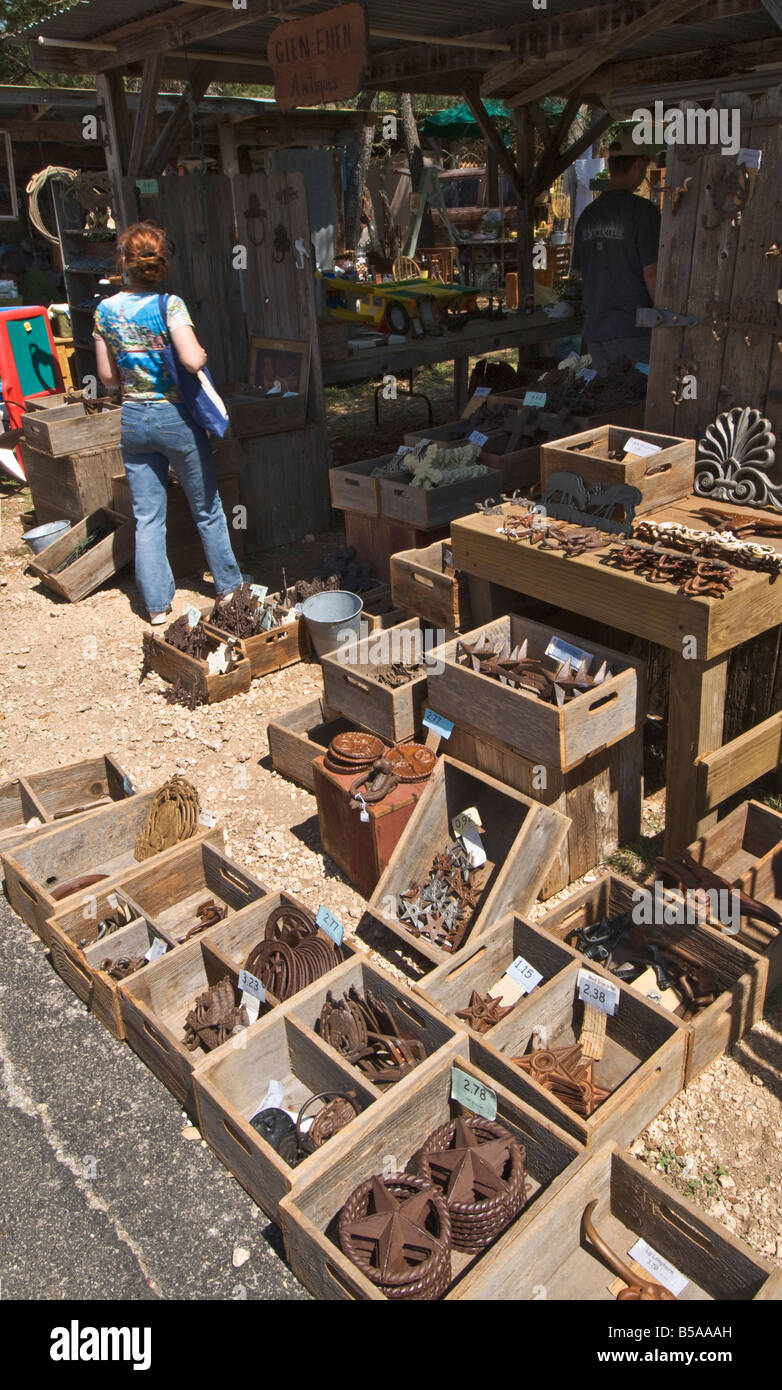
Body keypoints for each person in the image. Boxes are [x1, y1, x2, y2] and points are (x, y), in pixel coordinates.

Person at [93, 222, 242, 624]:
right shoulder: (170, 305)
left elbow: (106, 378)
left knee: (147, 517)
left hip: (133, 421)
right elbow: (192, 360)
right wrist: (202, 354)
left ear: (124, 260)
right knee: (207, 508)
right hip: (175, 417)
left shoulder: (105, 311)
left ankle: (157, 606)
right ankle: (229, 588)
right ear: (161, 263)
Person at [571, 129, 661, 374]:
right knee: (635, 404)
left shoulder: (588, 216)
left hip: (596, 331)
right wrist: (668, 316)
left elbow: (579, 272)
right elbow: (652, 273)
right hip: (634, 332)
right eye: (644, 164)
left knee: (607, 406)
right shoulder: (644, 212)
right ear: (638, 164)